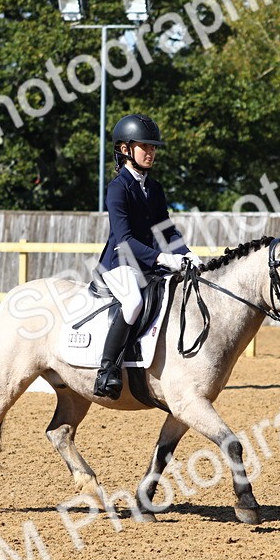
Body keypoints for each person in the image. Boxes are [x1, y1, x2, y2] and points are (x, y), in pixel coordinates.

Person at [93, 114, 200, 399]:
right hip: (119, 262)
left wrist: (189, 255)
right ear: (125, 149)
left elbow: (166, 230)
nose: (151, 152)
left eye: (153, 147)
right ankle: (107, 371)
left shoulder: (154, 188)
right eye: (145, 146)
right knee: (133, 302)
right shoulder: (118, 188)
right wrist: (163, 259)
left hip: (148, 263)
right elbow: (125, 239)